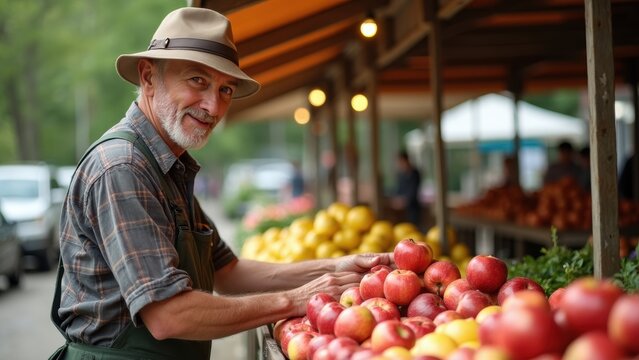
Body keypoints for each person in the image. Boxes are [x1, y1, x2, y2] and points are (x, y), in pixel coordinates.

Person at [49, 8, 391, 360]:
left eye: (225, 88)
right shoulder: (123, 167)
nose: (213, 106)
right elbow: (168, 315)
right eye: (197, 80)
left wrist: (334, 268)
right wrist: (299, 299)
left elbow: (226, 272)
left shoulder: (168, 167)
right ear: (149, 77)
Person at [391, 151, 422, 228]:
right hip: (401, 210)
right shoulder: (400, 175)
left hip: (412, 207)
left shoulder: (414, 173)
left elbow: (413, 191)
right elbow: (398, 190)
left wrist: (404, 200)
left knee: (412, 228)